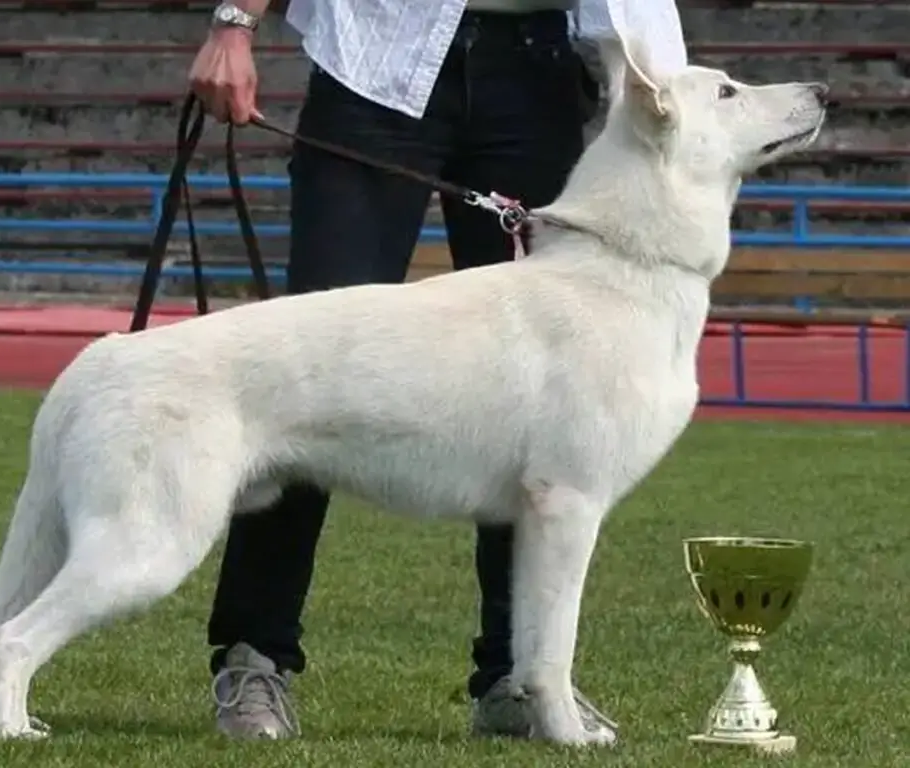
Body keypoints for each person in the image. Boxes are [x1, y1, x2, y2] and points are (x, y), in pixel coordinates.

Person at [188, 0, 608, 741]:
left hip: (539, 67)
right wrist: (235, 22)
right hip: (378, 58)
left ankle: (520, 679)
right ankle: (255, 656)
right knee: (306, 371)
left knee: (540, 397)